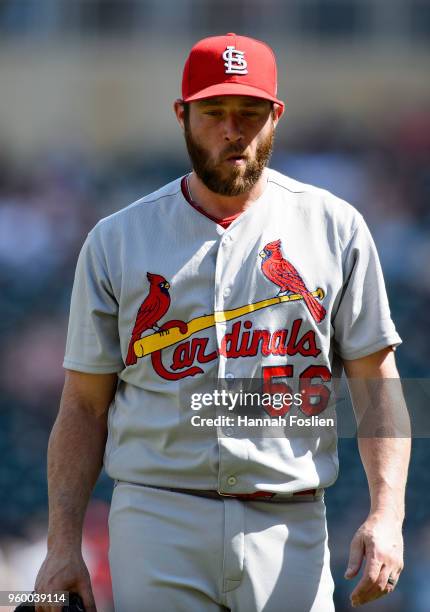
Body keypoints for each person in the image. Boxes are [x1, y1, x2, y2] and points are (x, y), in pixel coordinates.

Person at [34, 33, 410, 612]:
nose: (233, 129)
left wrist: (387, 515)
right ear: (182, 115)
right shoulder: (117, 240)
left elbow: (376, 383)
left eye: (250, 112)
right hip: (158, 518)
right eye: (213, 113)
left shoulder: (336, 228)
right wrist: (63, 545)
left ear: (275, 116)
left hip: (290, 521)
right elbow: (83, 405)